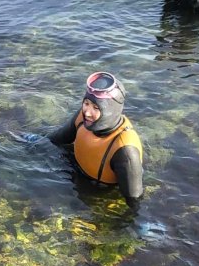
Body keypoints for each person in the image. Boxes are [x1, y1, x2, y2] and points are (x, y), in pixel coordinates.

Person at [19, 72, 144, 211]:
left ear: (111, 110)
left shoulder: (125, 151)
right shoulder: (82, 117)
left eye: (96, 108)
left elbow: (134, 200)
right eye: (86, 103)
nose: (88, 112)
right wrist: (32, 140)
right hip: (72, 170)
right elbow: (57, 139)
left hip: (97, 192)